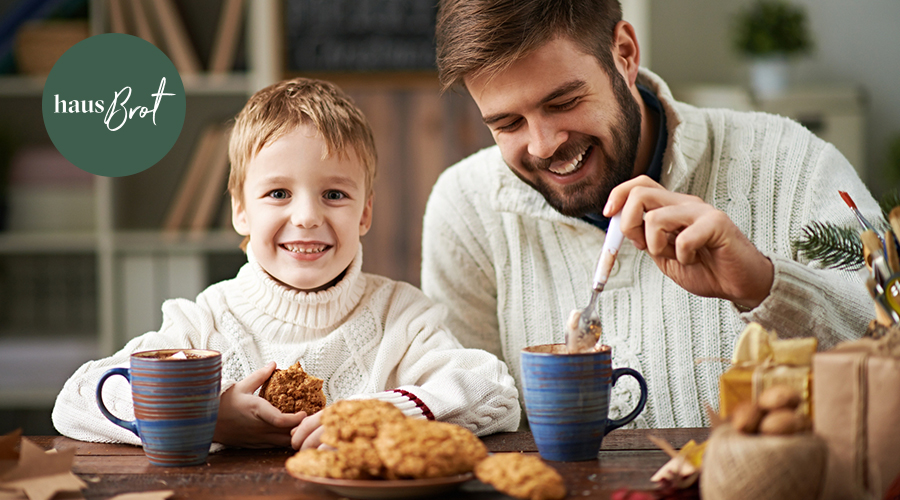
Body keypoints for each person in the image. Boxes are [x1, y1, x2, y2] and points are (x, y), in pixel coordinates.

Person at [421, 0, 881, 428]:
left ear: (624, 53)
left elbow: (887, 360)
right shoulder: (466, 209)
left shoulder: (791, 161)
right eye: (507, 124)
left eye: (563, 103)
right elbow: (468, 426)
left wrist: (763, 286)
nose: (543, 146)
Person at [53, 78, 520, 449]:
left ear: (365, 212)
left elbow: (495, 394)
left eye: (334, 194)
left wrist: (379, 416)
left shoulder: (402, 317)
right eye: (278, 193)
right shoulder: (205, 322)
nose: (307, 216)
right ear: (241, 209)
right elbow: (76, 399)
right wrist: (206, 418)